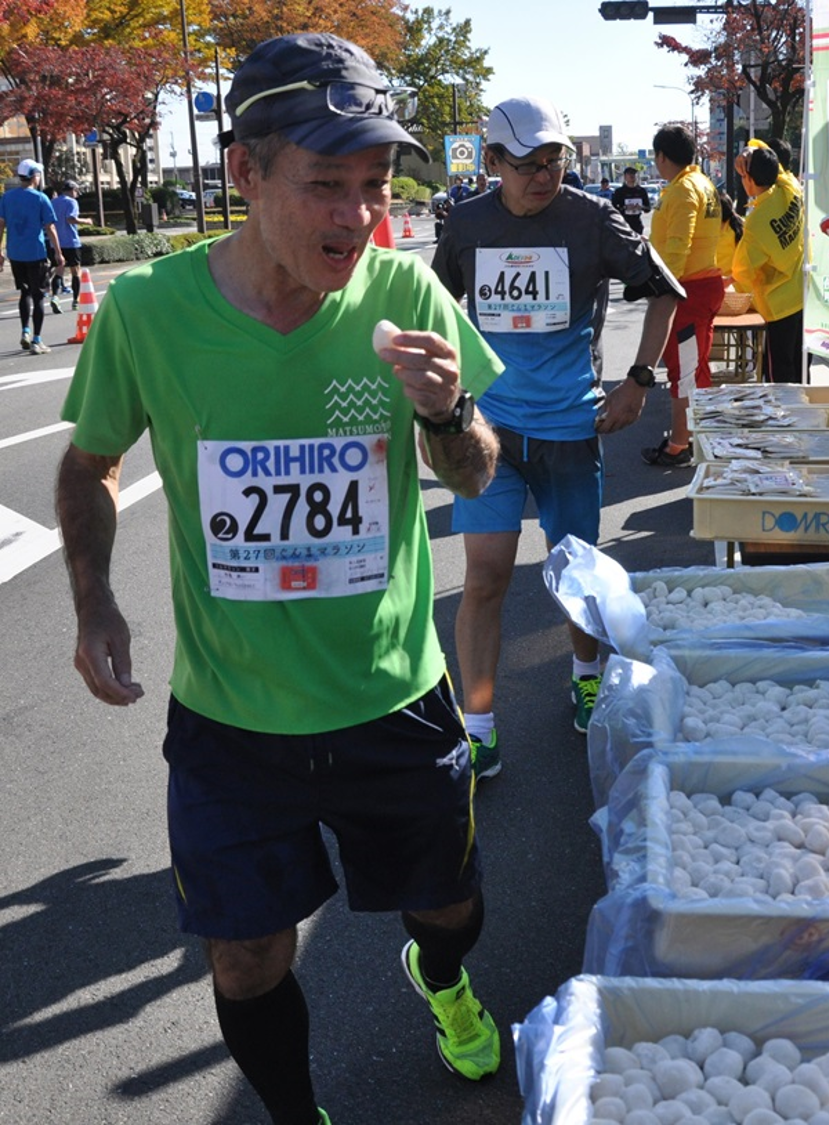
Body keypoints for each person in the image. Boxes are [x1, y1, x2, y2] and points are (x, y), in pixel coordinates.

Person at [54, 33, 507, 1125]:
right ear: (246, 173)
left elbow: (478, 466)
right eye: (323, 185)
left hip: (391, 691)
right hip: (230, 716)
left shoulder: (405, 294)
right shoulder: (150, 310)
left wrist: (447, 412)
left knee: (448, 910)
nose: (354, 216)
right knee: (246, 959)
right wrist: (93, 600)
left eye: (371, 187)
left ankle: (439, 982)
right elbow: (89, 463)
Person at [431, 94, 681, 775]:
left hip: (573, 426)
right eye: (527, 164)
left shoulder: (591, 217)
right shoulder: (467, 222)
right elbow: (432, 305)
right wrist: (447, 392)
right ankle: (477, 724)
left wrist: (638, 379)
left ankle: (585, 672)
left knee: (576, 578)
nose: (544, 176)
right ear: (491, 162)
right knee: (483, 576)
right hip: (491, 432)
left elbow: (663, 288)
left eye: (555, 161)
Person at [641, 125, 724, 466]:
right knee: (694, 366)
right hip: (702, 285)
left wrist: (663, 292)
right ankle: (695, 436)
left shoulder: (682, 191)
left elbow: (678, 248)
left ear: (661, 156)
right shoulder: (702, 183)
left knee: (683, 371)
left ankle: (679, 444)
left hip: (687, 289)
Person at [732, 143, 805, 383]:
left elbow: (742, 272)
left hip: (777, 305)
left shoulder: (756, 223)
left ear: (749, 180)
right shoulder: (790, 187)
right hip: (802, 293)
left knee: (779, 373)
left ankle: (784, 419)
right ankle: (803, 415)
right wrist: (750, 152)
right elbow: (775, 162)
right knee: (799, 366)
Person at [0, 158, 63, 355]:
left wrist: (0, 251)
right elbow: (50, 227)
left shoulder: (7, 198)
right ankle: (37, 340)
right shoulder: (40, 198)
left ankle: (25, 331)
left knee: (24, 292)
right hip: (35, 252)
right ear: (34, 176)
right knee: (38, 295)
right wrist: (59, 253)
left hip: (15, 252)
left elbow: (1, 224)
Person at [50, 179, 83, 312]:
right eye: (76, 192)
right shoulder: (72, 202)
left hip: (56, 242)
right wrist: (86, 221)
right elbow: (70, 219)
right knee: (76, 271)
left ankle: (55, 297)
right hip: (71, 241)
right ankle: (75, 300)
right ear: (72, 190)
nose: (77, 195)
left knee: (59, 270)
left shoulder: (53, 202)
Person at [612, 165, 651, 235]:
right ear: (625, 177)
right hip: (624, 224)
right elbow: (613, 208)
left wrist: (641, 207)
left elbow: (648, 208)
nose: (632, 176)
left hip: (637, 224)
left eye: (634, 174)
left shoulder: (641, 191)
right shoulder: (620, 191)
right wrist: (624, 208)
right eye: (629, 174)